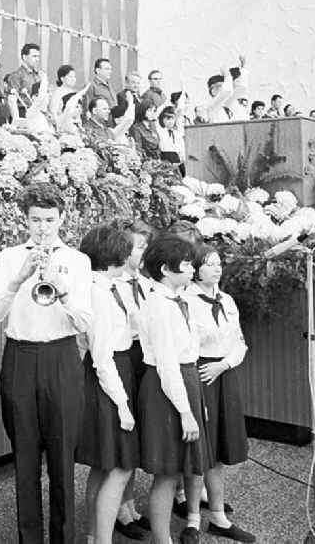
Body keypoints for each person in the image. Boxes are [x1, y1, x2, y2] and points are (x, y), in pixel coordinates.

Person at [0, 182, 93, 544]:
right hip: (20, 357)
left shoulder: (78, 261)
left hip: (61, 357)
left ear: (61, 218)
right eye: (35, 220)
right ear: (25, 220)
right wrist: (17, 280)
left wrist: (61, 288)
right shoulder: (10, 256)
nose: (42, 227)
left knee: (62, 458)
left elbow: (88, 324)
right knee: (25, 459)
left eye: (49, 219)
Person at [137, 235, 212, 544]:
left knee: (178, 468)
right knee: (167, 472)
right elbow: (167, 364)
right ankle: (162, 539)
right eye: (185, 264)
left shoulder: (176, 300)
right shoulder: (159, 305)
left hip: (185, 382)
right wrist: (185, 412)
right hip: (167, 388)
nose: (192, 269)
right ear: (166, 269)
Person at [184, 248, 254, 543]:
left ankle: (217, 517)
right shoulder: (186, 300)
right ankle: (191, 519)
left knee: (219, 451)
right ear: (195, 269)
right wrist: (207, 367)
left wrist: (223, 365)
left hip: (224, 374)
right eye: (209, 264)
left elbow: (239, 342)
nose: (216, 268)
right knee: (200, 450)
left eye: (218, 263)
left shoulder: (226, 300)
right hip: (200, 375)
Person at [76, 224, 139, 544]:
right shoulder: (97, 292)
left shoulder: (110, 285)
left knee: (103, 466)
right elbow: (102, 356)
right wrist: (122, 404)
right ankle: (102, 540)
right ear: (114, 257)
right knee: (120, 466)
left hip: (115, 372)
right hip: (109, 378)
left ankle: (92, 537)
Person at [115, 221, 154, 539]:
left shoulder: (146, 280)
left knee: (138, 431)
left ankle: (130, 506)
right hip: (127, 354)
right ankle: (121, 509)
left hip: (146, 355)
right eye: (137, 246)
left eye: (143, 246)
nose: (142, 252)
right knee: (124, 437)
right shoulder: (117, 284)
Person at [6, 43, 43, 122]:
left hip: (36, 113)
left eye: (38, 56)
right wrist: (17, 120)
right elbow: (11, 100)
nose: (37, 59)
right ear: (24, 57)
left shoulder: (38, 76)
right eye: (34, 56)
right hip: (22, 113)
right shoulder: (16, 75)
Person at [205, 56, 248, 123]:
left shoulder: (226, 104)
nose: (222, 88)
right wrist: (227, 75)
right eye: (219, 86)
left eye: (223, 86)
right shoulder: (212, 105)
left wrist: (243, 67)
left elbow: (242, 88)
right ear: (212, 90)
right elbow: (227, 92)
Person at [84, 58, 117, 126]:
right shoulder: (90, 86)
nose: (110, 71)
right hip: (100, 125)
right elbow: (87, 110)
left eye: (110, 69)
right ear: (98, 70)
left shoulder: (110, 86)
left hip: (113, 124)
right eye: (107, 69)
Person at [156, 106, 185, 175]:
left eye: (172, 119)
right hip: (165, 158)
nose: (170, 121)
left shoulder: (177, 133)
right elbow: (161, 147)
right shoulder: (160, 132)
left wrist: (181, 160)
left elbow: (181, 148)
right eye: (167, 119)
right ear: (162, 120)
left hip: (177, 159)